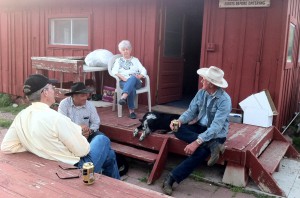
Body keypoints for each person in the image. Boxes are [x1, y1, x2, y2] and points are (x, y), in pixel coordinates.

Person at [1, 74, 120, 179]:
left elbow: (6, 146)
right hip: (75, 169)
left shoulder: (21, 116)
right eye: (52, 88)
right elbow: (83, 151)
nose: (54, 90)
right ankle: (114, 185)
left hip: (53, 164)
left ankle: (115, 184)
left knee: (109, 155)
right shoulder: (56, 118)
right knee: (102, 139)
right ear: (45, 92)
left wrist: (36, 148)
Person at [162, 66, 232, 195]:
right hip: (200, 128)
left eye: (203, 79)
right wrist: (180, 120)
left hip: (216, 134)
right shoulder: (201, 93)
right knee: (177, 128)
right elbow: (191, 111)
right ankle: (212, 145)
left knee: (200, 152)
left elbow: (216, 127)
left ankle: (171, 178)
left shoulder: (224, 100)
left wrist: (196, 142)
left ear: (210, 84)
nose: (201, 81)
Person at [111, 40, 147, 119]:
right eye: (123, 50)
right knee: (131, 88)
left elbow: (143, 70)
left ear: (130, 50)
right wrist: (122, 77)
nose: (125, 51)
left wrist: (139, 76)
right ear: (120, 51)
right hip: (124, 82)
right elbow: (114, 71)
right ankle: (132, 112)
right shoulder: (118, 61)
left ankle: (123, 97)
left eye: (127, 49)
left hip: (136, 81)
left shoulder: (135, 60)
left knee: (133, 78)